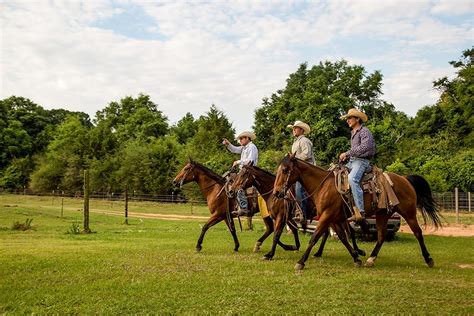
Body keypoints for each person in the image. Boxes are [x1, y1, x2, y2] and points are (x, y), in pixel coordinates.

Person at [339, 108, 376, 222]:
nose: (348, 121)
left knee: (352, 179)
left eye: (350, 118)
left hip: (361, 162)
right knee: (335, 174)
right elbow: (355, 150)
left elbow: (365, 147)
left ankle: (360, 211)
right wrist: (347, 156)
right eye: (347, 119)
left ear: (357, 119)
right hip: (353, 161)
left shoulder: (364, 131)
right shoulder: (353, 133)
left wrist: (347, 153)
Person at [223, 131, 259, 216]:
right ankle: (236, 204)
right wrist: (228, 144)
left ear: (247, 138)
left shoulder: (252, 147)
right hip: (244, 171)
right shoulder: (244, 148)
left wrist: (238, 162)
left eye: (241, 139)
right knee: (229, 180)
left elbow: (250, 160)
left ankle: (244, 208)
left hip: (250, 171)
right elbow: (234, 149)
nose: (240, 141)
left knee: (239, 187)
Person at [287, 121, 315, 223]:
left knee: (299, 189)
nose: (293, 130)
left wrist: (294, 158)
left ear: (302, 130)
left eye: (296, 128)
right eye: (293, 128)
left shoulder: (304, 141)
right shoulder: (295, 142)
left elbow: (306, 155)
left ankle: (302, 213)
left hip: (307, 170)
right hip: (299, 170)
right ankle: (294, 211)